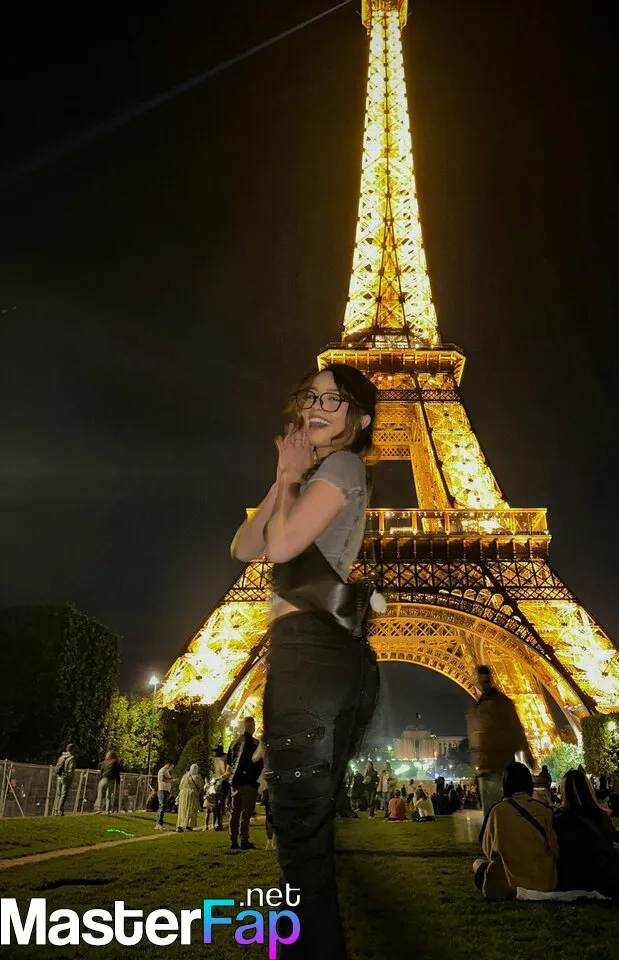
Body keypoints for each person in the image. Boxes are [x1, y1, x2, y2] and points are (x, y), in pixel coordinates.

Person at [230, 363, 379, 960]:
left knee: (298, 842)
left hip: (310, 654)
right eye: (310, 396)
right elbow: (244, 547)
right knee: (303, 841)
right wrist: (282, 478)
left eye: (333, 400)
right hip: (320, 654)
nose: (316, 406)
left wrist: (293, 482)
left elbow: (284, 546)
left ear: (360, 420)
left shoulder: (343, 467)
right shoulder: (317, 473)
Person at [472, 762, 557, 900]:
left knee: (477, 863)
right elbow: (555, 848)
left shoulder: (497, 811)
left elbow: (488, 849)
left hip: (508, 884)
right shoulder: (544, 810)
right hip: (543, 882)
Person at [554, 768, 619, 897]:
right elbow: (610, 838)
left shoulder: (558, 818)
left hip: (573, 874)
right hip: (601, 873)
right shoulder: (600, 816)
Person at [466, 665, 535, 816]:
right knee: (496, 812)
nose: (483, 685)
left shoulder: (496, 704)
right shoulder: (482, 705)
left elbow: (516, 730)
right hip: (489, 767)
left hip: (499, 766)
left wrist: (528, 754)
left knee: (498, 812)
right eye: (481, 681)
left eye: (484, 681)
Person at [226, 716, 263, 851]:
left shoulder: (234, 742)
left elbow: (229, 762)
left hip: (235, 782)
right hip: (249, 782)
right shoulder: (255, 743)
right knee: (245, 813)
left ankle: (233, 840)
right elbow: (259, 763)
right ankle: (244, 840)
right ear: (252, 727)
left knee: (234, 812)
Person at [176, 764, 204, 832]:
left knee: (183, 810)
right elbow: (201, 786)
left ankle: (180, 825)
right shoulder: (198, 777)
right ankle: (189, 825)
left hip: (183, 794)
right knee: (191, 809)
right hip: (193, 794)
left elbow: (180, 786)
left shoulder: (185, 776)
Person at [53, 743, 76, 816]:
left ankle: (55, 810)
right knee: (64, 795)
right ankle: (60, 811)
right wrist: (71, 776)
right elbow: (71, 769)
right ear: (73, 750)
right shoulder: (71, 758)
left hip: (59, 776)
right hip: (66, 778)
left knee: (58, 794)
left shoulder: (61, 757)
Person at [155, 760, 174, 830]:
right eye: (171, 766)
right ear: (168, 764)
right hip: (162, 790)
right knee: (162, 806)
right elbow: (163, 779)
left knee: (163, 806)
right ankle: (158, 823)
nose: (171, 768)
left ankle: (160, 823)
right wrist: (171, 779)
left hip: (166, 791)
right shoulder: (162, 771)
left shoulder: (166, 771)